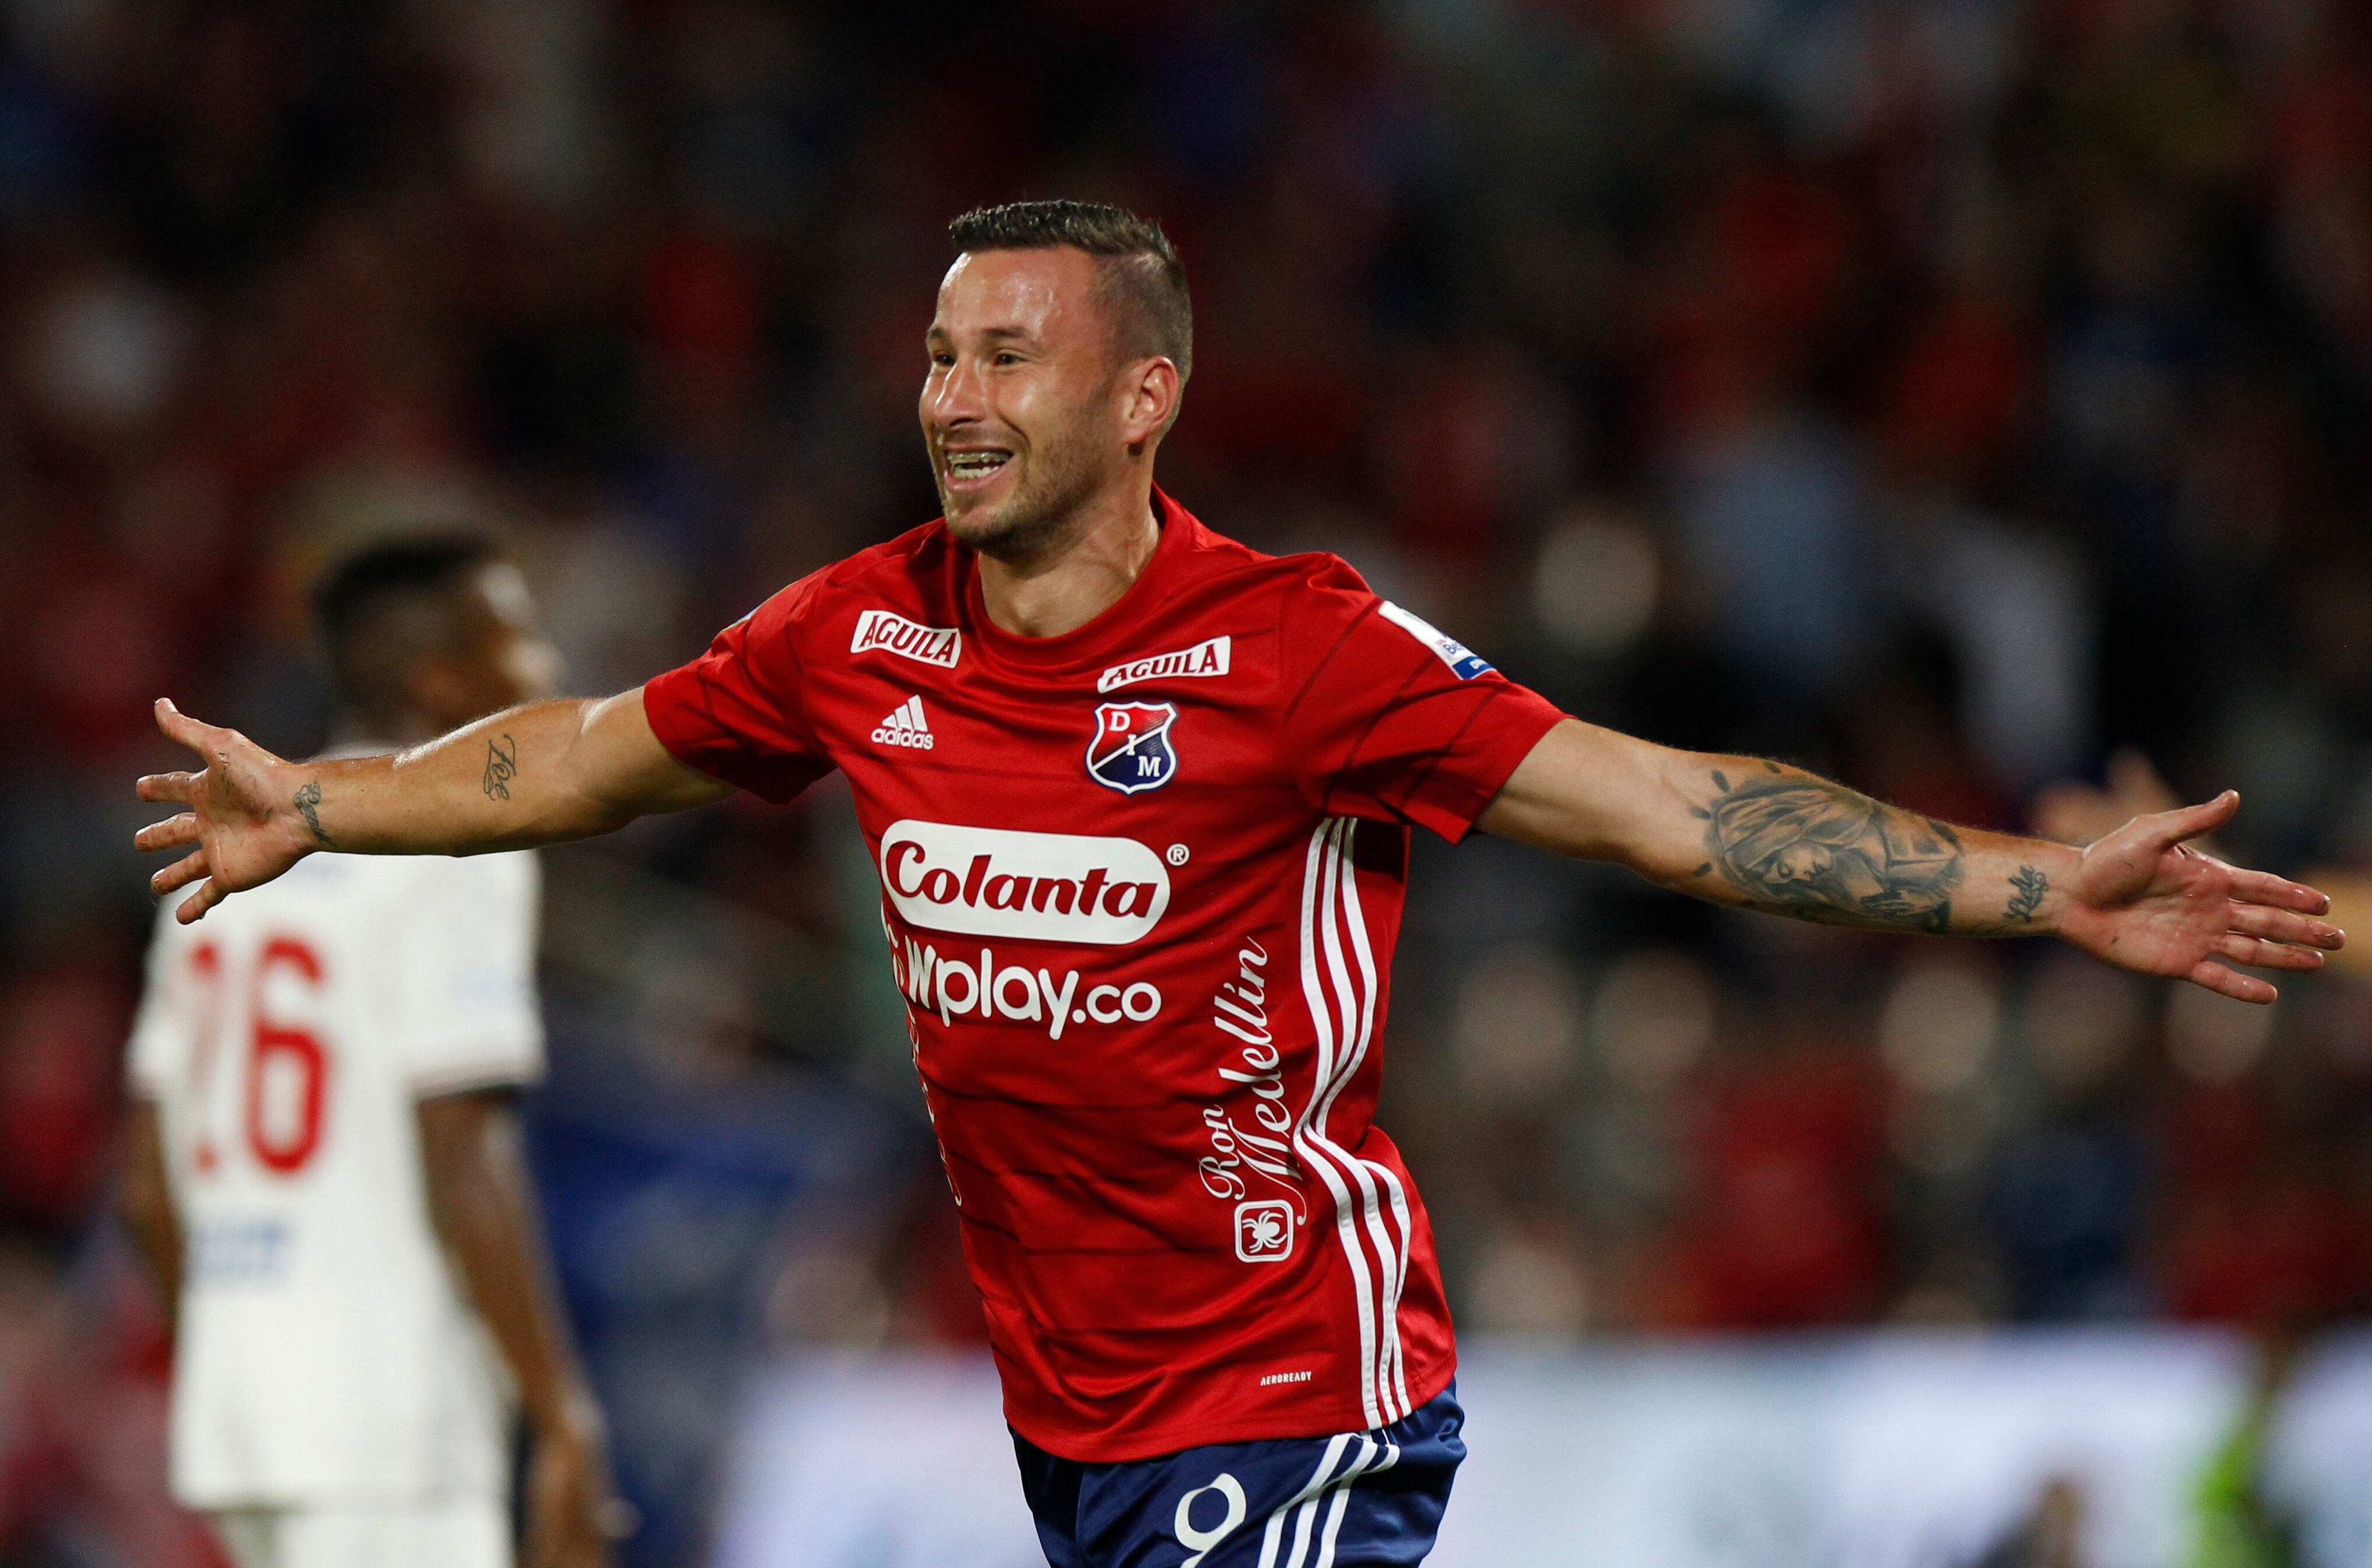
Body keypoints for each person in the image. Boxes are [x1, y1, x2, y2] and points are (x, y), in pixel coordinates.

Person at [131, 202, 2343, 1568]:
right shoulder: (853, 633)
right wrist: (320, 805)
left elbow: (1672, 810)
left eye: (1008, 355)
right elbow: (580, 756)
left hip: (1296, 1387)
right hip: (1068, 1415)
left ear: (1145, 395)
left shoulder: (1301, 651)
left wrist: (2037, 891)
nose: (952, 397)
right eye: (937, 354)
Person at [117, 535, 621, 1568]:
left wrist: (243, 1366)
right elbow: (463, 1153)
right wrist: (562, 1414)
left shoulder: (227, 861)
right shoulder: (455, 846)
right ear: (437, 678)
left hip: (240, 1423)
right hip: (390, 1418)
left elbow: (143, 1193)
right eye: (514, 638)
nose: (548, 666)